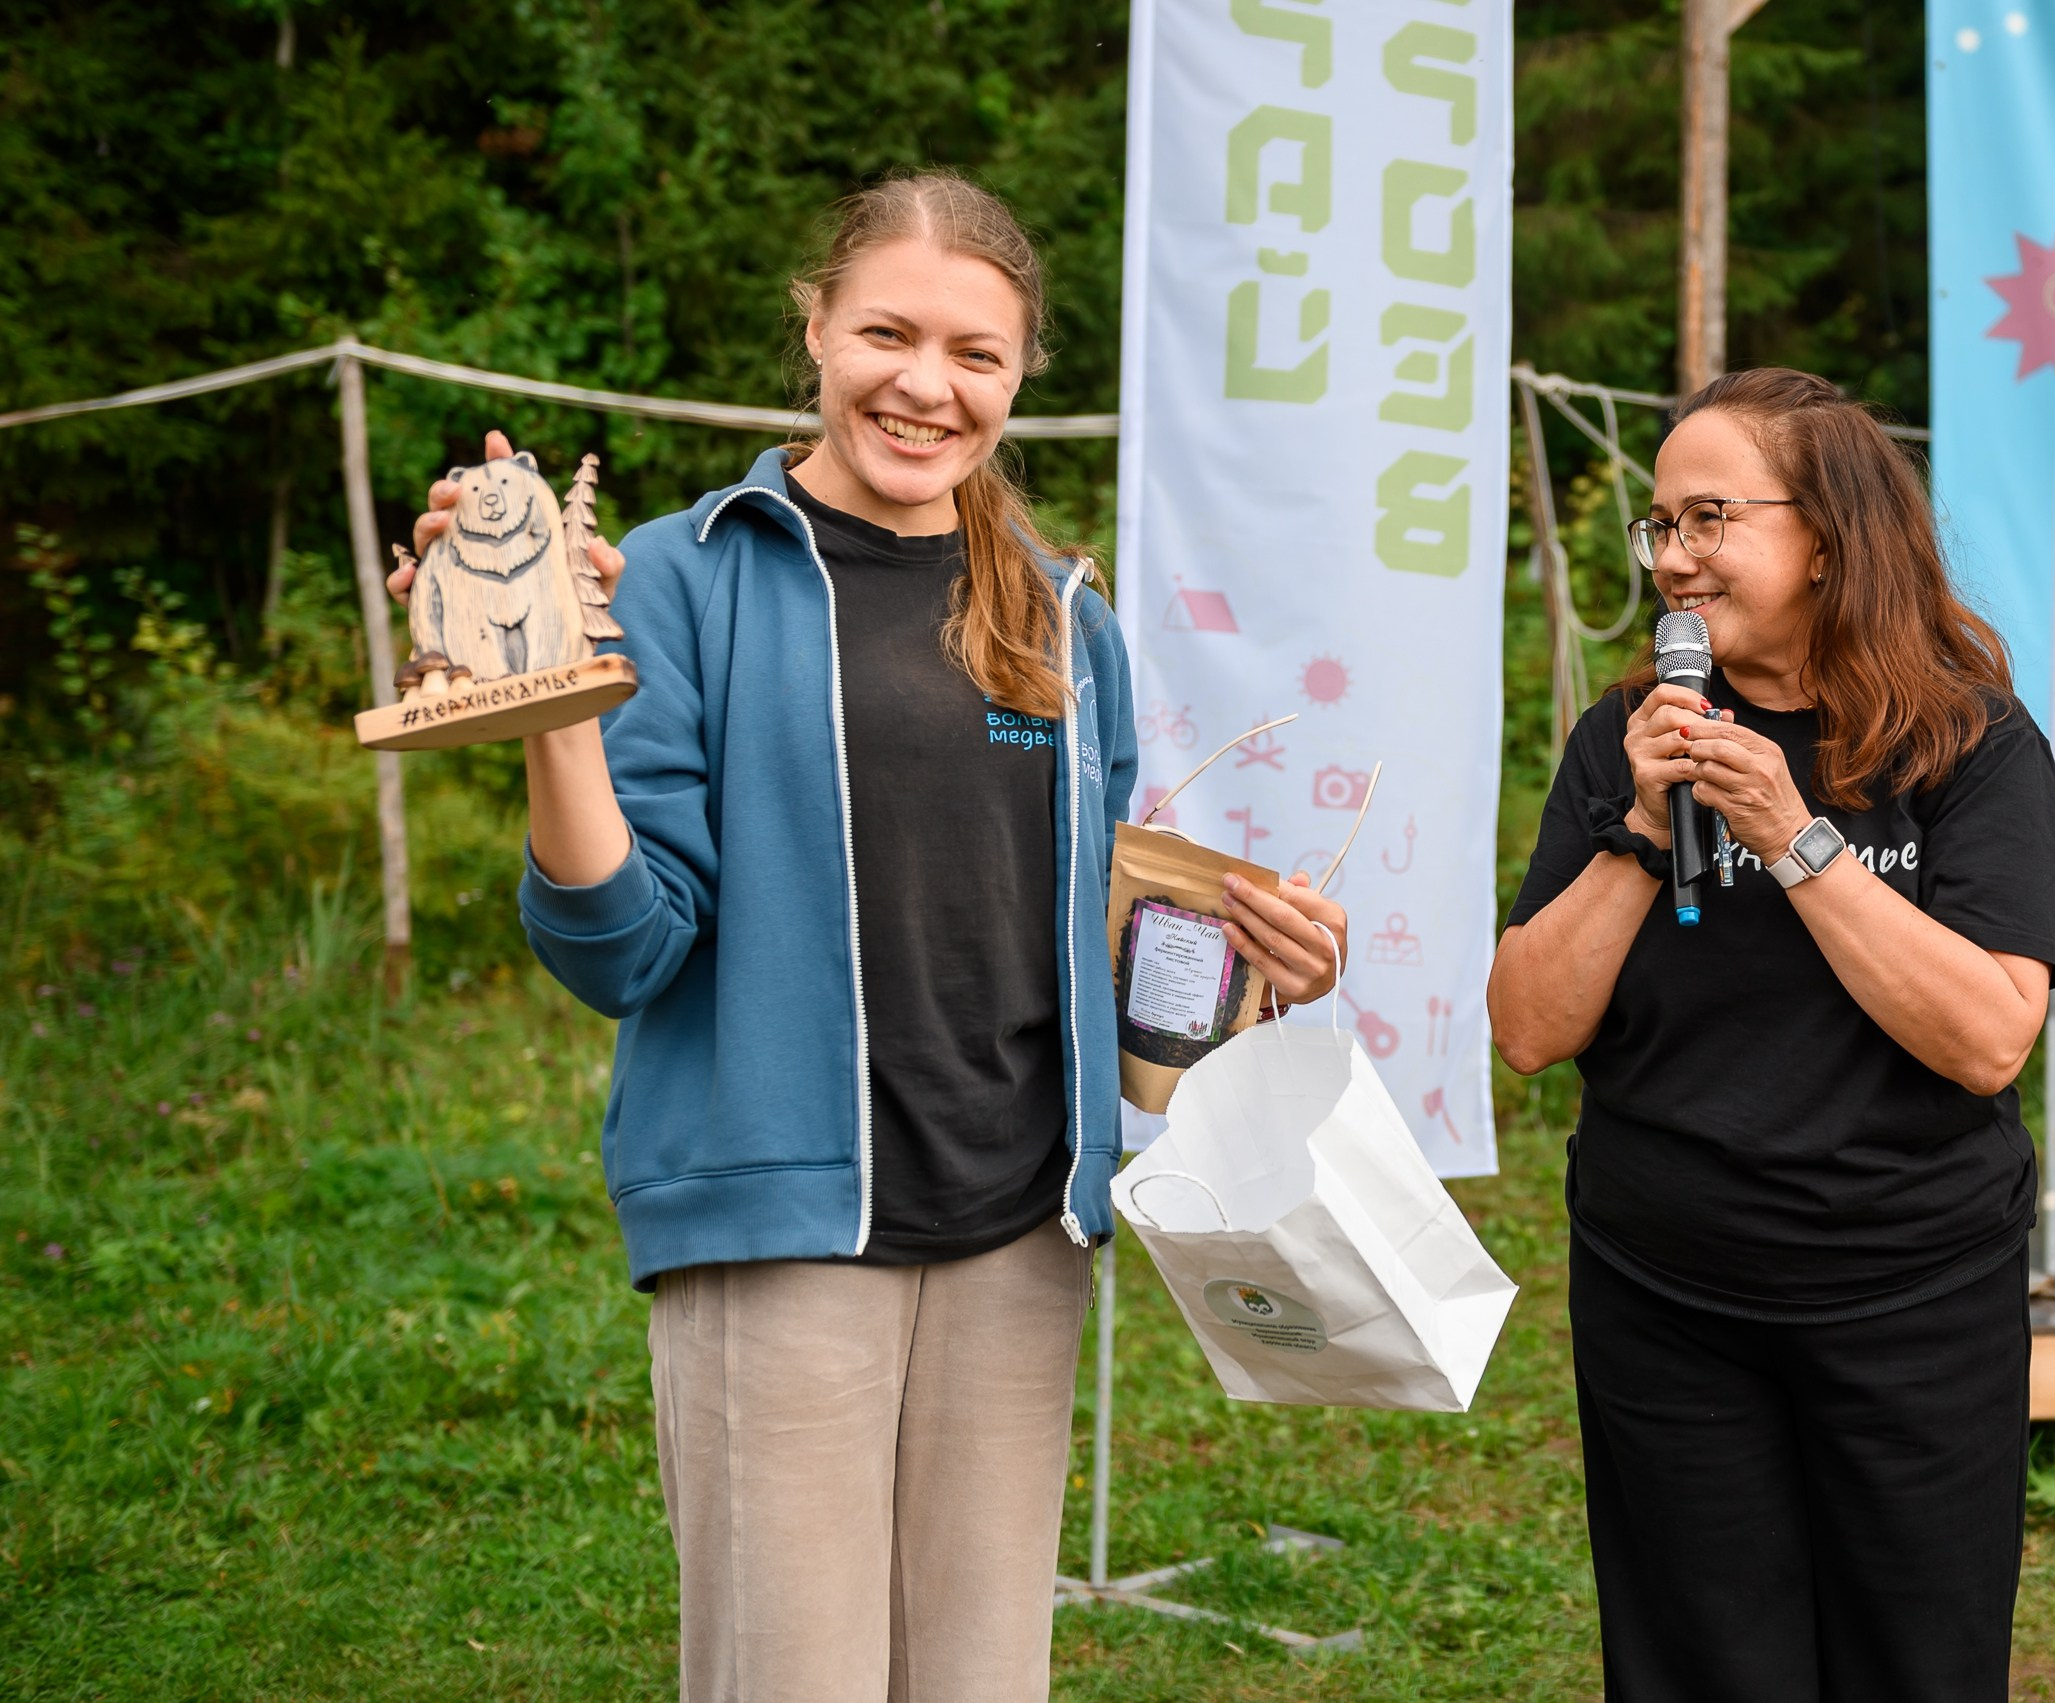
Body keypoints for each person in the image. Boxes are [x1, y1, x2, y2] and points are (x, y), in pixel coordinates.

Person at [395, 172, 1348, 1702]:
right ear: (818, 329)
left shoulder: (1058, 613)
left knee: (982, 1679)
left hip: (1018, 1230)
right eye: (889, 334)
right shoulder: (684, 578)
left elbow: (1067, 935)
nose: (927, 384)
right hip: (783, 1230)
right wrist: (554, 716)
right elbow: (619, 951)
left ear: (1020, 375)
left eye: (976, 353)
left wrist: (1248, 975)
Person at [1487, 367, 2055, 1701]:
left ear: (1830, 535)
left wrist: (1797, 843)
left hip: (1911, 1296)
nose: (1676, 559)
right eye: (1661, 526)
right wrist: (1640, 833)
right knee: (1701, 1662)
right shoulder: (1624, 740)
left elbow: (1987, 1040)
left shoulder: (1968, 744)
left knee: (1913, 1661)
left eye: (1710, 519)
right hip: (1667, 1292)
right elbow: (1527, 1028)